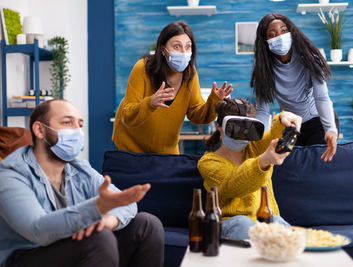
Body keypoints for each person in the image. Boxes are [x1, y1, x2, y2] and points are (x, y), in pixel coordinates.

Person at [0, 99, 164, 267]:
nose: (76, 131)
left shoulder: (79, 168)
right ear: (39, 130)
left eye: (79, 124)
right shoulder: (10, 174)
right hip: (25, 256)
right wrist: (97, 208)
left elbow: (126, 204)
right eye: (67, 122)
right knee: (99, 239)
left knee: (147, 225)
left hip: (69, 249)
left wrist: (108, 220)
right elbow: (37, 229)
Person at [112, 21, 232, 154]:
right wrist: (151, 103)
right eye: (176, 46)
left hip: (166, 151)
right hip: (131, 149)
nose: (183, 52)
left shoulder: (190, 74)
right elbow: (127, 116)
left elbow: (197, 115)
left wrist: (215, 101)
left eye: (188, 47)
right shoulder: (142, 68)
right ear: (163, 50)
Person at [197, 98, 302, 240]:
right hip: (230, 225)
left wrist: (283, 118)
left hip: (264, 222)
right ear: (220, 126)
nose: (242, 134)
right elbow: (233, 185)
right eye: (235, 127)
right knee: (243, 223)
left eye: (247, 129)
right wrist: (263, 161)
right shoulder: (208, 163)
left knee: (276, 221)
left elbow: (274, 134)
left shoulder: (255, 148)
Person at [251, 13, 338, 162]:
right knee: (288, 167)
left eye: (284, 31)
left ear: (291, 31)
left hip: (318, 121)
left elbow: (322, 98)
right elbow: (262, 111)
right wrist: (259, 141)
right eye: (272, 34)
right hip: (290, 126)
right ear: (265, 41)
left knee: (316, 164)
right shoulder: (263, 68)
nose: (279, 36)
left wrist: (330, 129)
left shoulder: (309, 58)